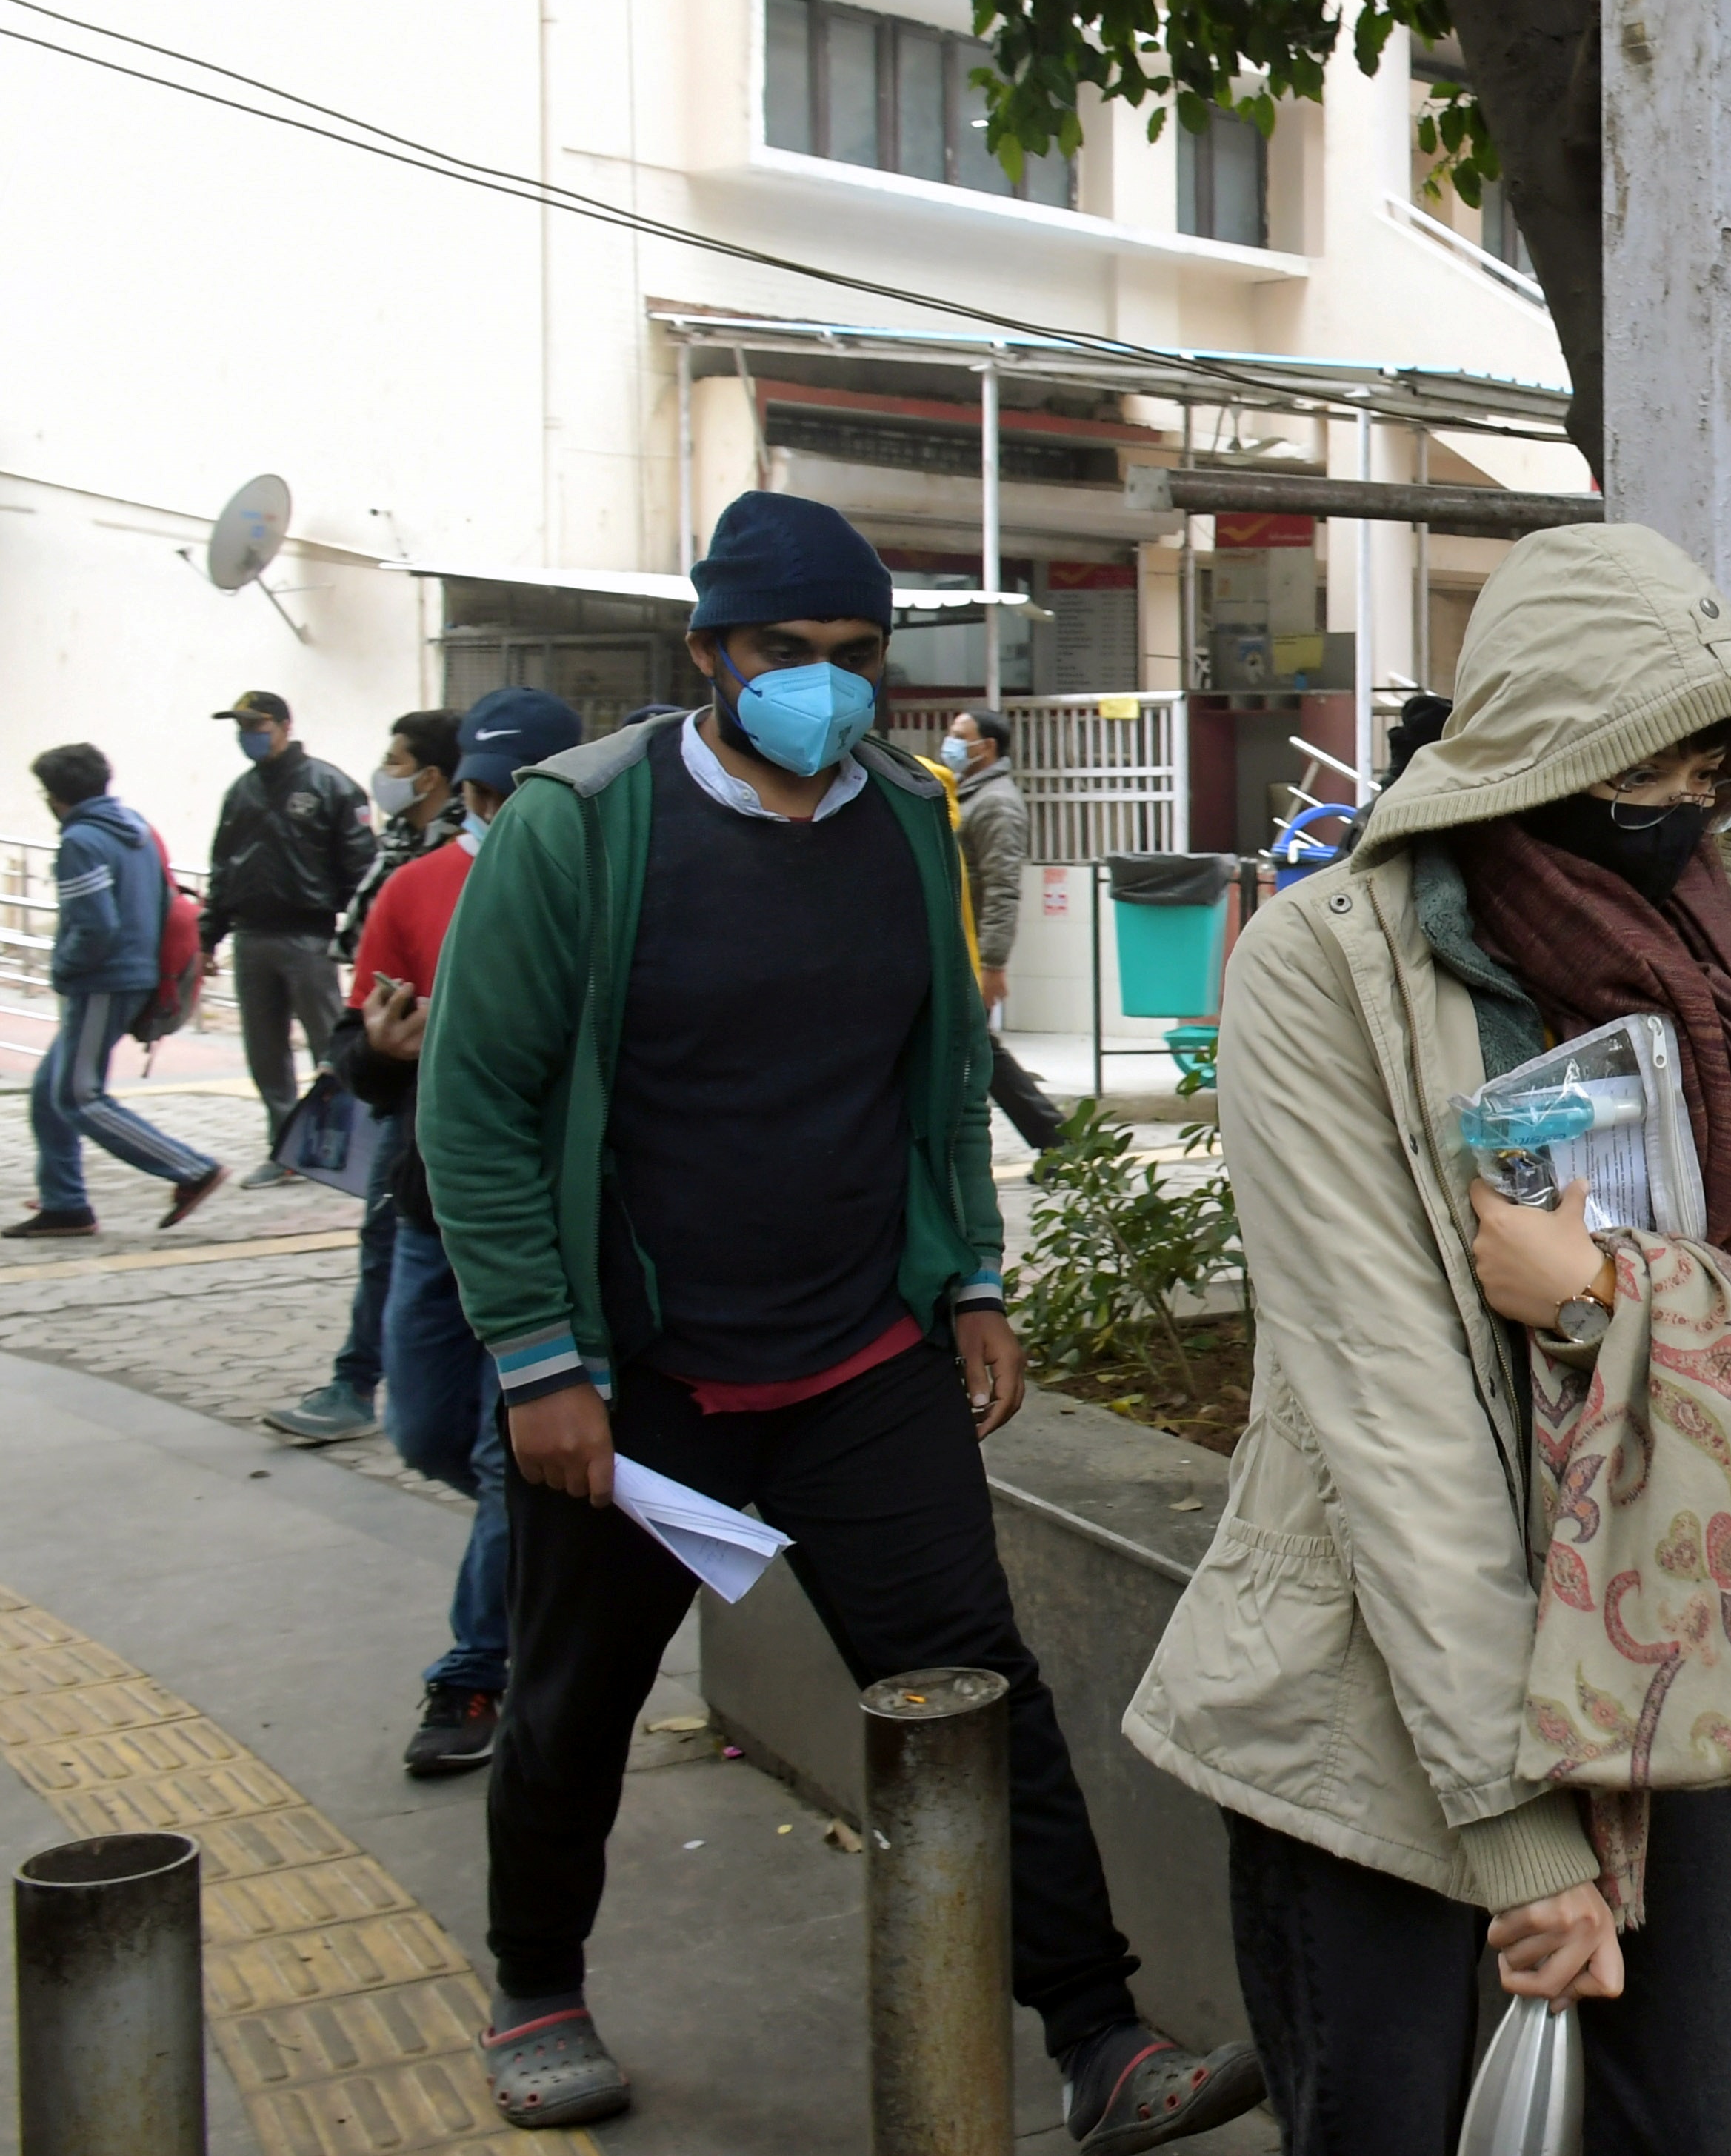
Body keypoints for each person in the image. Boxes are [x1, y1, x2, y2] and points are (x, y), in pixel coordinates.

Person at [415, 491, 1261, 2148]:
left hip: (859, 1359)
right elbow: (476, 1112)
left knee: (971, 1689)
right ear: (707, 654)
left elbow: (935, 1079)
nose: (826, 684)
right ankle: (535, 1986)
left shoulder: (906, 820)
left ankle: (1097, 2032)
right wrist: (536, 1360)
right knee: (573, 1694)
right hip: (633, 1377)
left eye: (858, 656)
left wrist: (971, 1278)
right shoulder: (577, 829)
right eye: (785, 654)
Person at [1127, 523, 1731, 2155]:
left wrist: (1605, 1296)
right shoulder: (1326, 965)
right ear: (1539, 737)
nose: (1678, 801)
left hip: (1663, 1674)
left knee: (1688, 2124)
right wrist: (1522, 1837)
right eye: (1645, 757)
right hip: (1382, 1710)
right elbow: (1385, 1416)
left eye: (1710, 765)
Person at [337, 691, 567, 1774]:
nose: (488, 809)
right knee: (426, 1429)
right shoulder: (414, 889)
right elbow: (358, 1057)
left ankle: (475, 1669)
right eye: (480, 790)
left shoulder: (599, 886)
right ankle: (524, 1564)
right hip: (430, 1210)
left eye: (510, 791)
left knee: (494, 1454)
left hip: (549, 1216)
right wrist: (386, 1049)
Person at [264, 708, 466, 1446]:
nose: (385, 771)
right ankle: (361, 1380)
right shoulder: (407, 844)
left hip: (437, 1091)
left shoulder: (454, 857)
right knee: (391, 1228)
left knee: (397, 1232)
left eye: (396, 758)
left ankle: (360, 1384)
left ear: (439, 777)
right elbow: (355, 930)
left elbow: (357, 930)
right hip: (395, 1062)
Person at [15, 745, 222, 1236]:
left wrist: (64, 968)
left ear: (55, 797)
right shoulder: (135, 828)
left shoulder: (81, 841)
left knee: (79, 1095)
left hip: (101, 980)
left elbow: (95, 925)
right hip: (134, 973)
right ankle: (64, 1202)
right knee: (51, 1092)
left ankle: (190, 1168)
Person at [205, 690, 376, 1187]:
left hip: (309, 937)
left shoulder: (329, 787)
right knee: (265, 1050)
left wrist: (362, 936)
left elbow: (361, 869)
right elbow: (223, 867)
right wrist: (208, 934)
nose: (248, 736)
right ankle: (284, 1146)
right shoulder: (241, 793)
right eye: (241, 727)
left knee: (330, 1043)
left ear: (283, 725)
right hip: (251, 935)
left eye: (256, 725)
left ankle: (343, 1141)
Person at [940, 705, 1068, 1151]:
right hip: (953, 947)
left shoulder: (995, 804)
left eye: (960, 735)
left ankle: (1058, 1142)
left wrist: (993, 963)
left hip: (970, 952)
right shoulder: (965, 796)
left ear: (987, 746)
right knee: (976, 1049)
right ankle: (1057, 1142)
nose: (950, 743)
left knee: (979, 1049)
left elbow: (1002, 887)